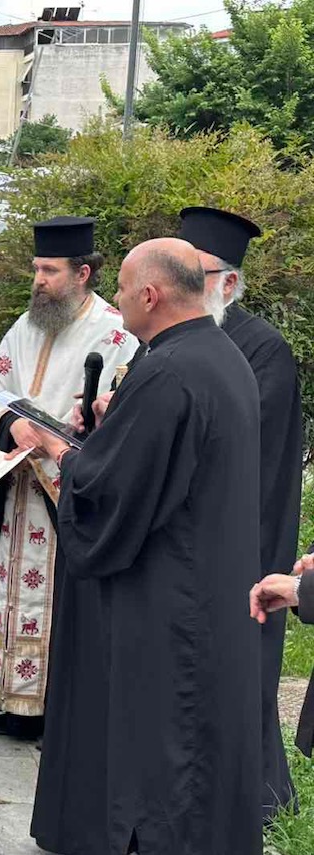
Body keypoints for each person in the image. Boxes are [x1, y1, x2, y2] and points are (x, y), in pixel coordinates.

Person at [26, 238, 264, 855]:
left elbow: (116, 485)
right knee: (192, 725)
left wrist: (63, 452)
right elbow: (162, 452)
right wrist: (116, 424)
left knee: (161, 725)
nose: (118, 300)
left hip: (169, 585)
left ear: (152, 295)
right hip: (210, 574)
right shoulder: (219, 355)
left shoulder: (167, 371)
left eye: (125, 289)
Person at [0, 217, 136, 740]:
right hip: (19, 486)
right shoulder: (25, 327)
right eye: (36, 269)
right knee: (11, 591)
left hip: (67, 489)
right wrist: (12, 424)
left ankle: (58, 712)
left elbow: (119, 413)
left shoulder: (115, 332)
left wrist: (56, 439)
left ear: (82, 273)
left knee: (61, 601)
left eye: (50, 270)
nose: (38, 280)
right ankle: (14, 702)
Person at [181, 207, 299, 818]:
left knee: (236, 670)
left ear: (228, 282)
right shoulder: (171, 339)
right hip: (185, 538)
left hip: (244, 539)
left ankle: (253, 798)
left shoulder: (264, 349)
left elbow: (248, 451)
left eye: (196, 275)